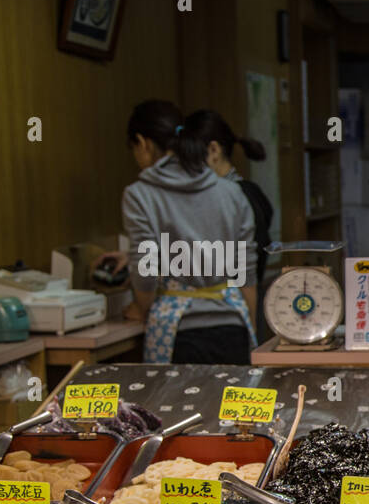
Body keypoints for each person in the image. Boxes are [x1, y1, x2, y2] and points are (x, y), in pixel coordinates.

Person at [97, 100, 258, 364]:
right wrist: (249, 328)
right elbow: (246, 275)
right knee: (228, 405)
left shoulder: (140, 195)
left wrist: (143, 308)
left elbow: (145, 269)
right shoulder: (231, 193)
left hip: (176, 334)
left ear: (143, 143)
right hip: (234, 328)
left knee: (178, 406)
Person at [186, 109, 275, 295]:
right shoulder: (251, 191)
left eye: (189, 155)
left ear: (213, 150)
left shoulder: (232, 199)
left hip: (234, 303)